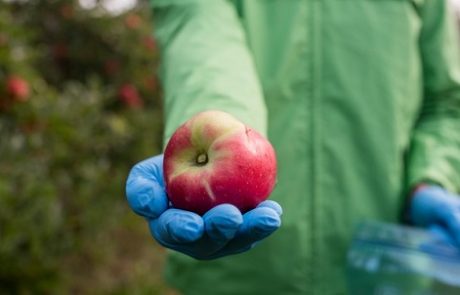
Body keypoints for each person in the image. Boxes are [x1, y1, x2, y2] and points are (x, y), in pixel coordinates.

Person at [126, 1, 460, 294]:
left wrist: (430, 177)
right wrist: (223, 134)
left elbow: (444, 101)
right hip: (238, 278)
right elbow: (205, 41)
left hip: (383, 267)